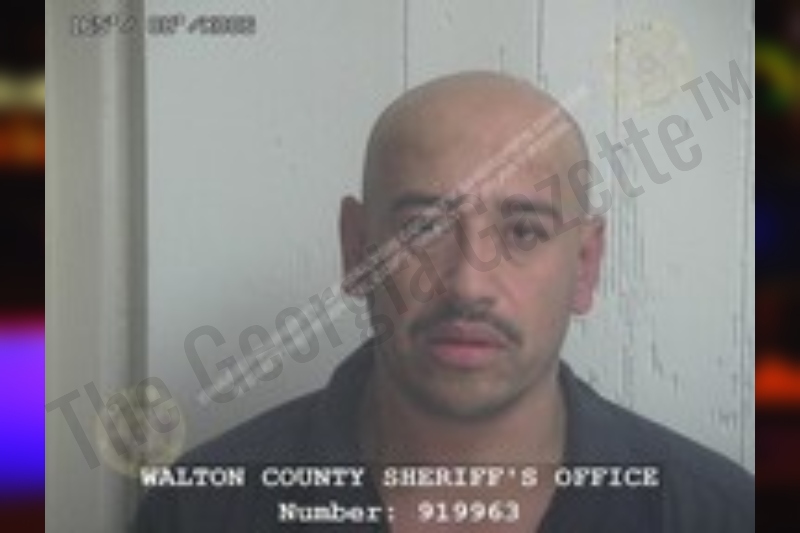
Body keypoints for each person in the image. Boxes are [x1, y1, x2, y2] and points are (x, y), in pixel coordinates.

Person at [133, 72, 754, 532]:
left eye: (523, 232)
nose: (467, 285)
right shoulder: (200, 510)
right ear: (356, 248)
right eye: (423, 228)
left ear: (585, 265)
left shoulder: (721, 515)